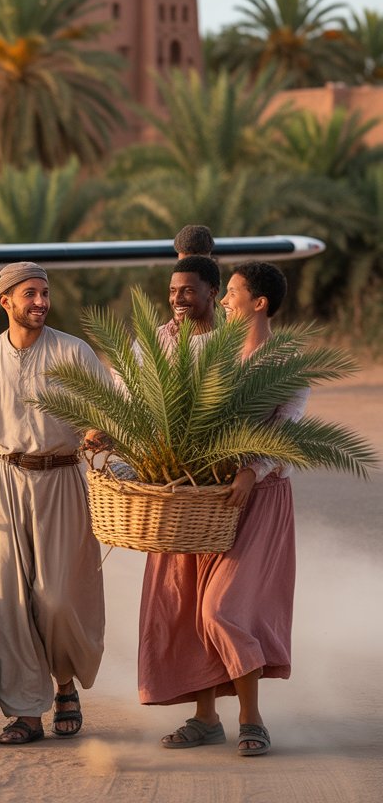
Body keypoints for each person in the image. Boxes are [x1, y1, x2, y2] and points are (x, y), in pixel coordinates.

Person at [137, 261, 307, 757]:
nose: (225, 300)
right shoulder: (209, 351)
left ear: (259, 303)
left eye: (232, 292)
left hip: (259, 500)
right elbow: (175, 409)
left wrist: (253, 468)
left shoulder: (286, 362)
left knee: (224, 608)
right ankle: (206, 718)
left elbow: (289, 429)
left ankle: (251, 718)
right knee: (190, 604)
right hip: (202, 498)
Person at [0, 262, 107, 744]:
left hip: (61, 484)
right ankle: (25, 712)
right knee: (9, 605)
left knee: (57, 600)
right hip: (2, 487)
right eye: (30, 294)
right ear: (6, 302)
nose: (40, 302)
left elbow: (105, 410)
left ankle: (64, 685)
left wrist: (101, 433)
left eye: (45, 293)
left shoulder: (73, 352)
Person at [152, 255, 221, 354]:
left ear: (212, 293)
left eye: (188, 291)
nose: (177, 299)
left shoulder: (229, 342)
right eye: (173, 291)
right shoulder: (154, 339)